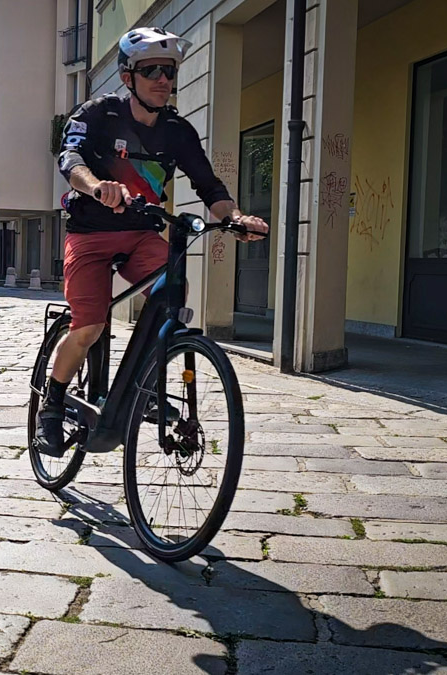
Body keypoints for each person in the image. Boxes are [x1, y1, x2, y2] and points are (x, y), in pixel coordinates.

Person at [35, 27, 270, 456]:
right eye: (152, 71)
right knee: (88, 326)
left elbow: (208, 185)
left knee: (171, 297)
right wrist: (97, 185)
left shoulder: (177, 131)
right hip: (90, 234)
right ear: (128, 77)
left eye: (170, 71)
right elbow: (70, 159)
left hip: (142, 234)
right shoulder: (98, 114)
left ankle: (145, 385)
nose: (164, 79)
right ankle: (51, 405)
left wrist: (235, 218)